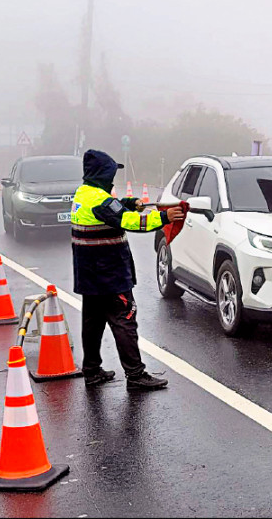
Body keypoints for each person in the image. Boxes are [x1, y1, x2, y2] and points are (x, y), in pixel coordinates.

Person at [71, 149, 185, 390]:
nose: (113, 179)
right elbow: (130, 222)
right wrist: (165, 217)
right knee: (124, 319)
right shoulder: (99, 201)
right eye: (111, 173)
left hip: (89, 274)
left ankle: (91, 370)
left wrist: (129, 203)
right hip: (109, 274)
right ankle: (135, 375)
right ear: (103, 174)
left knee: (93, 322)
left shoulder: (84, 194)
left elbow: (114, 209)